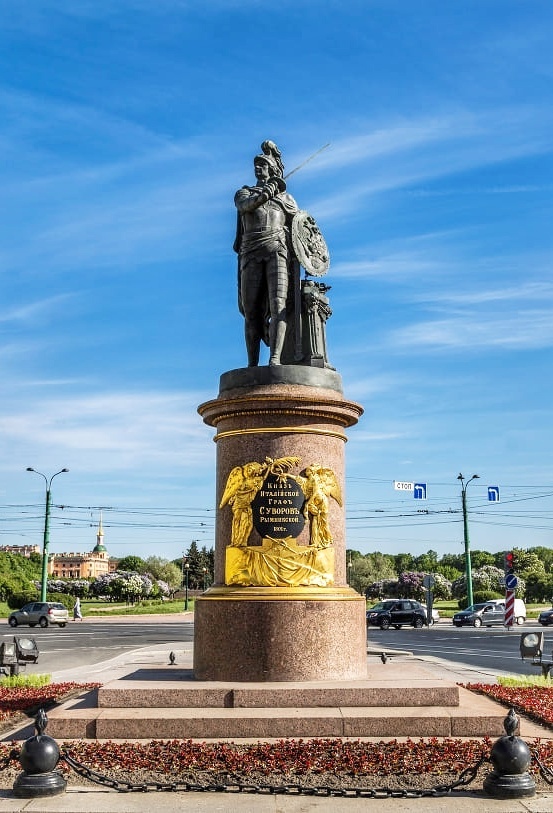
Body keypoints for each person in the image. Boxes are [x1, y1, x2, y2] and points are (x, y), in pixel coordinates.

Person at [234, 141, 299, 366]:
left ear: (272, 169)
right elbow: (246, 206)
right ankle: (252, 365)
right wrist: (267, 192)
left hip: (277, 253)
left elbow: (302, 229)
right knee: (251, 311)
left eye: (262, 165)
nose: (258, 168)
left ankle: (275, 359)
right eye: (256, 165)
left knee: (278, 305)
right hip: (251, 252)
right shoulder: (244, 193)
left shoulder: (286, 201)